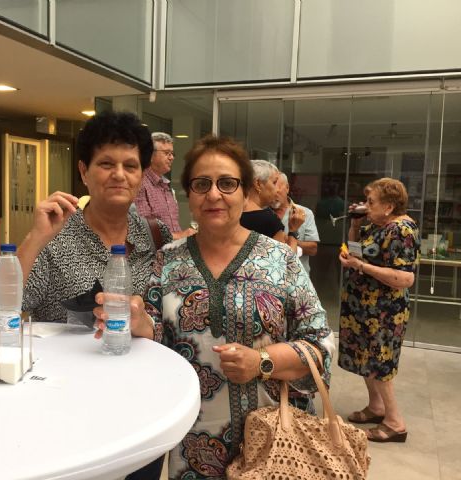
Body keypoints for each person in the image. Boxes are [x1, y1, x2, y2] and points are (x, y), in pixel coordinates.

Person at [94, 135, 334, 479]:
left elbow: (320, 345)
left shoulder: (280, 259)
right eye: (202, 184)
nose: (214, 194)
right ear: (189, 194)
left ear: (245, 192)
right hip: (193, 447)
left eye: (227, 183)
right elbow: (157, 339)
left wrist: (262, 361)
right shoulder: (168, 261)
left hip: (276, 447)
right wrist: (139, 323)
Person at [18, 110, 172, 480]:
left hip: (142, 405)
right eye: (106, 164)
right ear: (84, 171)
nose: (119, 174)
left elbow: (172, 322)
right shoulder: (55, 235)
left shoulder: (157, 236)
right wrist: (35, 238)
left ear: (141, 175)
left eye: (130, 165)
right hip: (65, 408)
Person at [338, 177, 420, 443]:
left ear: (389, 206)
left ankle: (395, 423)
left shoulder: (402, 230)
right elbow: (357, 251)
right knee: (367, 360)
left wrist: (361, 267)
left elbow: (405, 278)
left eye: (371, 202)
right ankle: (376, 407)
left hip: (384, 312)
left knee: (381, 364)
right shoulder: (376, 225)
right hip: (364, 308)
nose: (366, 205)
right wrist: (354, 226)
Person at [134, 132, 195, 239]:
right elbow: (144, 230)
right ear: (150, 155)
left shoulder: (166, 185)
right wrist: (181, 235)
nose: (171, 158)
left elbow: (173, 227)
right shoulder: (140, 184)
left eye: (172, 153)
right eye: (167, 153)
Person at [240, 160, 299, 252]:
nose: (277, 190)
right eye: (274, 182)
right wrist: (293, 231)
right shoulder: (269, 220)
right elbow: (287, 259)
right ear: (258, 184)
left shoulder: (231, 213)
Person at [272, 172, 319, 275]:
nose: (274, 194)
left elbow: (313, 249)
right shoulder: (260, 213)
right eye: (271, 189)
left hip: (298, 275)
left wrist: (288, 240)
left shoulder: (304, 213)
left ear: (287, 188)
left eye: (278, 189)